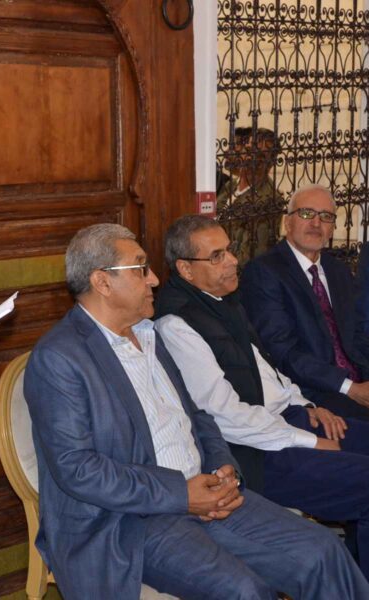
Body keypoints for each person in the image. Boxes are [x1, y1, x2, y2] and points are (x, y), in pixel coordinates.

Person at [24, 222, 369, 600]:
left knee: (323, 552)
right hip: (132, 520)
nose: (155, 279)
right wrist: (181, 495)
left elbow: (198, 415)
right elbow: (78, 469)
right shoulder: (60, 358)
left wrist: (222, 468)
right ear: (102, 282)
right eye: (140, 269)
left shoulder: (148, 335)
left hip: (204, 492)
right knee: (244, 590)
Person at [155, 214, 369, 578]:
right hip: (256, 454)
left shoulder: (221, 302)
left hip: (287, 421)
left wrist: (307, 405)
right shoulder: (178, 325)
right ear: (185, 269)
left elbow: (267, 370)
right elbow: (224, 416)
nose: (233, 260)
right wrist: (308, 441)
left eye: (230, 250)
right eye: (217, 256)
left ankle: (353, 570)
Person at [240, 184, 369, 420]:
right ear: (287, 222)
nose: (316, 223)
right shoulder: (264, 272)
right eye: (307, 213)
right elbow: (282, 351)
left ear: (333, 227)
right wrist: (350, 388)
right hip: (311, 393)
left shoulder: (338, 271)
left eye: (326, 216)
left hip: (356, 383)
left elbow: (358, 333)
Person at [217, 127, 285, 264]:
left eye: (261, 155)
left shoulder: (269, 199)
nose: (251, 157)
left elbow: (252, 255)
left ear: (271, 163)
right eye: (248, 150)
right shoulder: (230, 186)